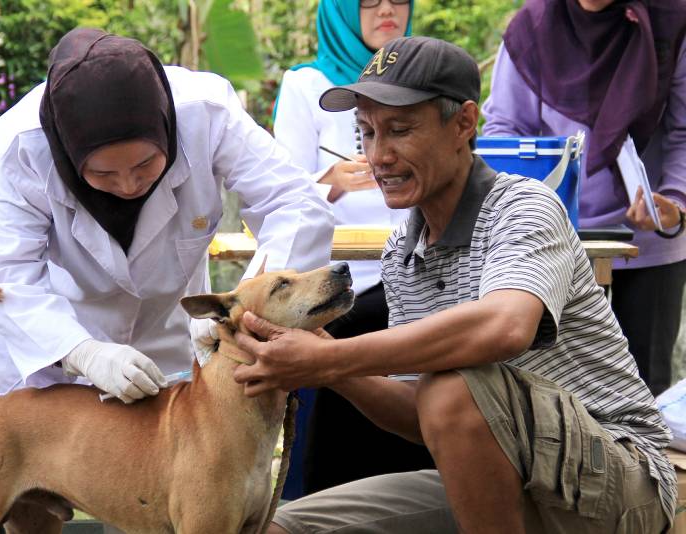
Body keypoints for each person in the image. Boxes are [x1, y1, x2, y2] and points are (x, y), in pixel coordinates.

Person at [233, 36, 677, 533]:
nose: (380, 156)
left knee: (454, 384)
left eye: (400, 130)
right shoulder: (402, 251)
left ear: (464, 124)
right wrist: (323, 361)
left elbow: (505, 327)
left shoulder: (524, 208)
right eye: (367, 134)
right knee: (276, 528)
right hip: (501, 479)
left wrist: (333, 358)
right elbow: (420, 416)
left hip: (621, 482)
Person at [0, 28, 335, 454]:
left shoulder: (206, 112)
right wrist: (82, 352)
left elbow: (295, 203)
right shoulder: (21, 144)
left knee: (157, 497)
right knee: (8, 501)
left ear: (166, 129)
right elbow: (9, 272)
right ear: (69, 156)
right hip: (50, 351)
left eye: (146, 163)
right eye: (103, 175)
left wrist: (240, 313)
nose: (130, 184)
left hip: (168, 339)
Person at [481, 0, 686, 397]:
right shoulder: (532, 27)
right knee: (555, 394)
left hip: (650, 244)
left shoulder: (672, 19)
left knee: (645, 394)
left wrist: (675, 201)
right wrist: (533, 207)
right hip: (555, 243)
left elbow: (685, 131)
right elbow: (506, 129)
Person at [273, 0, 433, 494]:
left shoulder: (428, 82)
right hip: (343, 285)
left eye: (398, 0)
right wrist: (331, 182)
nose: (387, 10)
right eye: (368, 1)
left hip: (420, 277)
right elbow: (278, 195)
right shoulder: (307, 86)